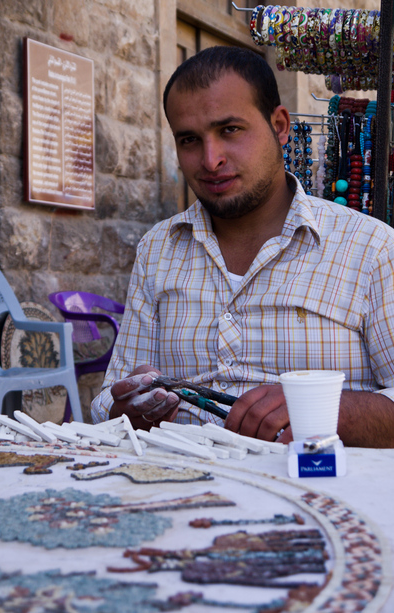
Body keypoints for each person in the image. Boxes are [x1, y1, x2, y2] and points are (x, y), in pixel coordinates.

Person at [91, 46, 394, 448]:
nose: (211, 159)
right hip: (180, 492)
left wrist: (323, 409)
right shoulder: (158, 250)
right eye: (189, 140)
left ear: (280, 126)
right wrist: (128, 408)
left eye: (230, 130)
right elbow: (109, 398)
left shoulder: (369, 248)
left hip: (318, 497)